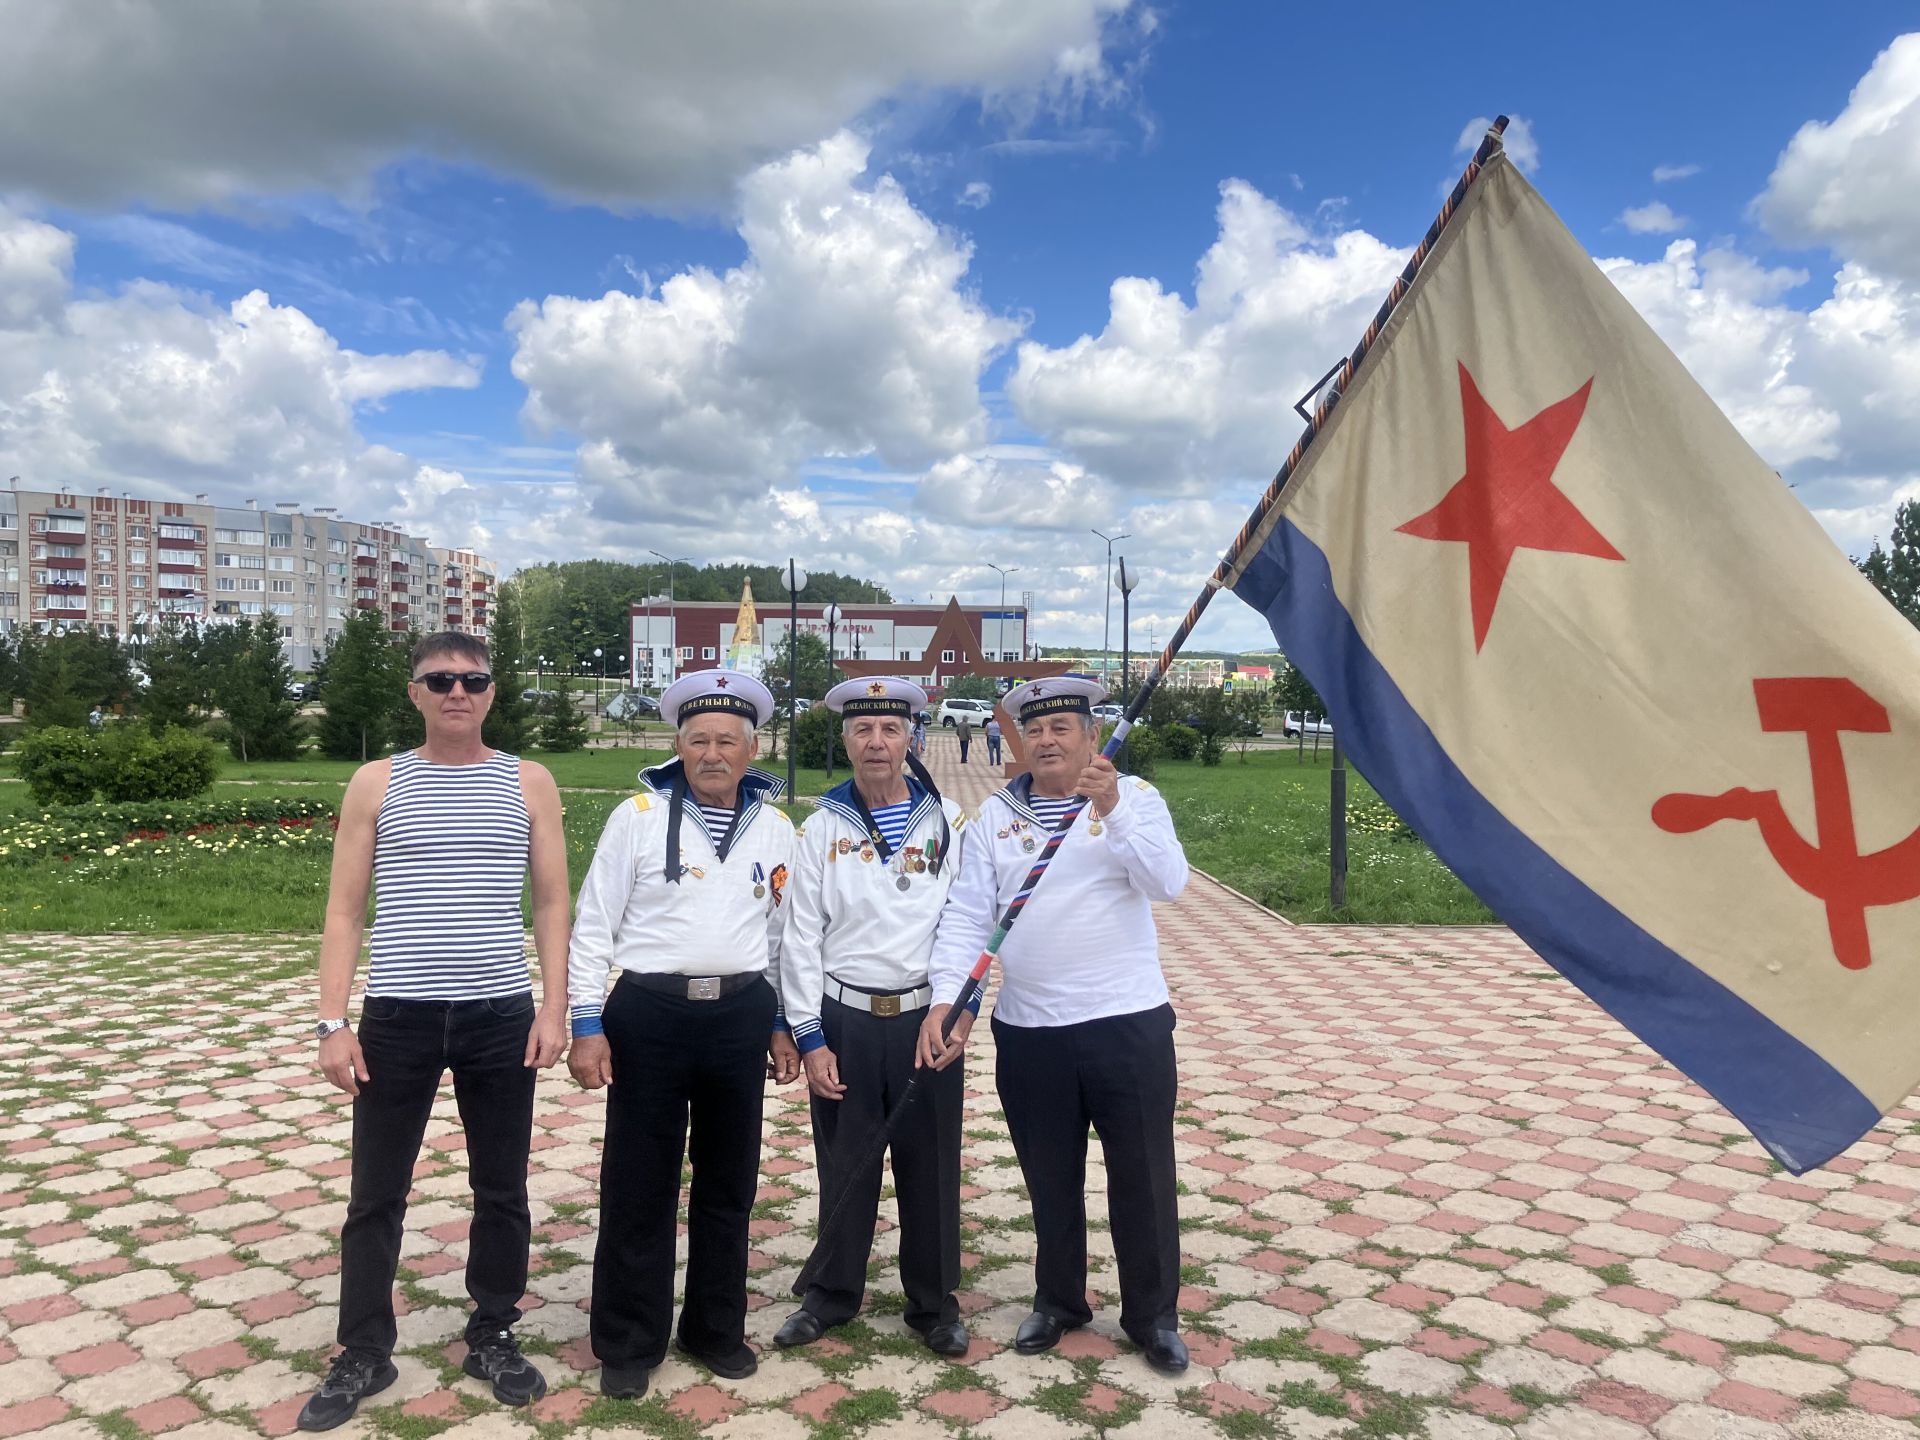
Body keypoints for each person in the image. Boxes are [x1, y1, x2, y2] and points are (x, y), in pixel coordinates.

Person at [303, 634, 570, 1431]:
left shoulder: (529, 782)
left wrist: (553, 1008)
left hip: (498, 1015)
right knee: (375, 1192)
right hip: (398, 1015)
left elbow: (553, 902)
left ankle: (491, 1330)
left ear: (492, 691)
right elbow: (345, 909)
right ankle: (363, 1348)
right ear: (414, 692)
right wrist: (331, 1022)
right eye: (441, 680)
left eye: (473, 680)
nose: (459, 692)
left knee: (502, 1186)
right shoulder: (377, 782)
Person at [923, 677, 1191, 1374]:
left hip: (1126, 1024)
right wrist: (946, 1003)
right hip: (1031, 1030)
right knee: (1049, 1176)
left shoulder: (1133, 800)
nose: (1046, 741)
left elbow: (1168, 882)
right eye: (1033, 731)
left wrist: (1111, 807)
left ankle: (1153, 1315)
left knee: (1143, 1174)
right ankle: (1060, 1299)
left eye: (1061, 729)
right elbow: (967, 920)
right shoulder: (993, 820)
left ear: (1091, 738)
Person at [568, 671, 801, 1399]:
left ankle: (714, 1328)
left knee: (730, 1184)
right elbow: (593, 927)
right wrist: (585, 1024)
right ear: (679, 744)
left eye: (727, 740)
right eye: (698, 739)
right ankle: (630, 1342)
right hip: (649, 1015)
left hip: (738, 1017)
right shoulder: (636, 816)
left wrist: (779, 1023)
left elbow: (779, 935)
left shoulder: (776, 827)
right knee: (639, 1185)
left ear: (751, 747)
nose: (712, 753)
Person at [774, 678, 973, 1357]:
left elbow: (965, 924)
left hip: (926, 1020)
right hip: (847, 1021)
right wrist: (811, 1037)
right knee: (845, 1165)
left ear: (912, 738)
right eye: (863, 730)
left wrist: (955, 1010)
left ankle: (934, 1302)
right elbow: (799, 937)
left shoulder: (947, 819)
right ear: (845, 740)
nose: (877, 743)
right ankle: (830, 1295)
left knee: (932, 1166)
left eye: (891, 730)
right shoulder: (821, 827)